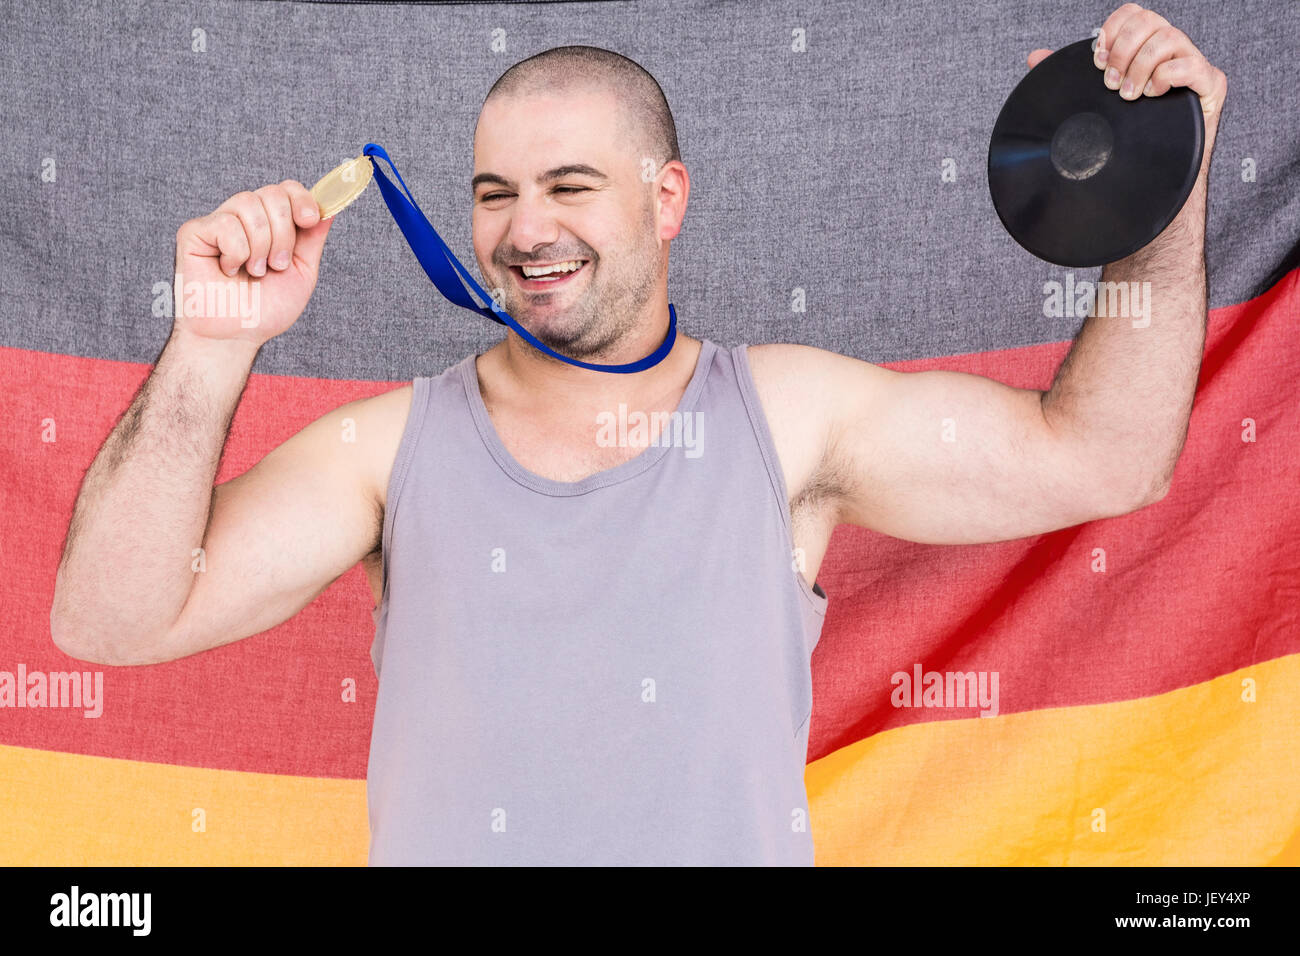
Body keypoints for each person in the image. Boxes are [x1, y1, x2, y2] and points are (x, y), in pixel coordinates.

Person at [50, 6, 1226, 865]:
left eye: (570, 185)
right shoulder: (386, 449)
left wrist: (1160, 188)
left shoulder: (787, 414)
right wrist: (212, 342)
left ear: (665, 200)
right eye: (495, 191)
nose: (526, 229)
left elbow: (1108, 456)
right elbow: (106, 619)